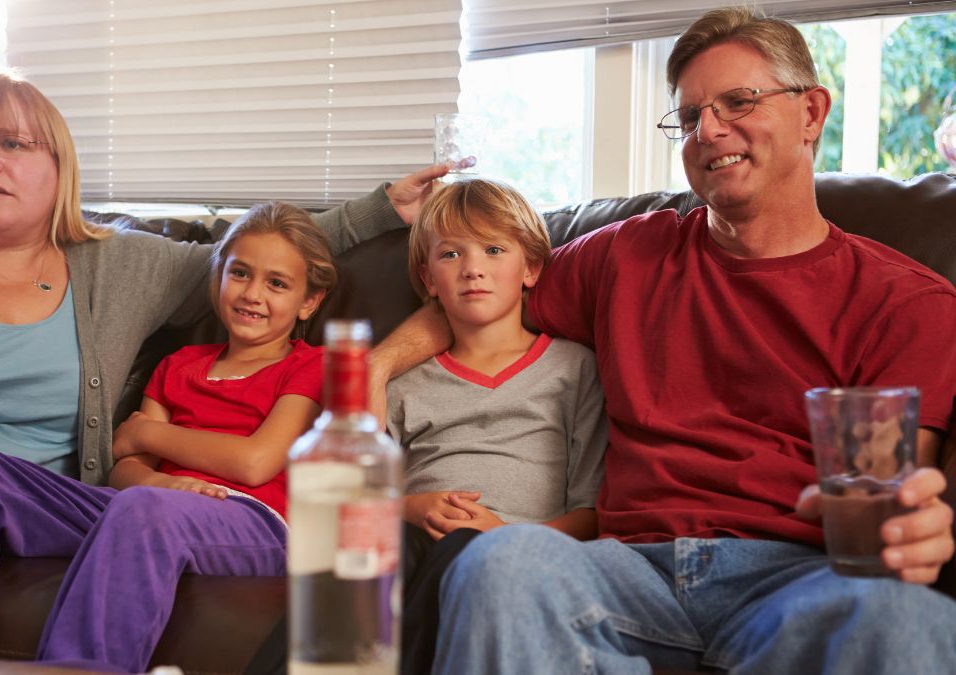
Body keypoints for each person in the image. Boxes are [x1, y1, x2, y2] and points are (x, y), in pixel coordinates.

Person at [0, 73, 445, 640]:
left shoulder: (118, 264)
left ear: (60, 167)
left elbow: (256, 255)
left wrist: (380, 209)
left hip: (58, 503)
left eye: (11, 143)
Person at [373, 7, 956, 673]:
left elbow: (894, 496)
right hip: (624, 569)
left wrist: (906, 528)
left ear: (812, 113)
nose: (708, 130)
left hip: (797, 578)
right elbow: (486, 289)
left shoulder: (907, 302)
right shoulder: (624, 255)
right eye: (689, 116)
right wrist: (375, 366)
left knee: (909, 619)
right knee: (502, 560)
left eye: (739, 101)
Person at [0, 200, 335, 672]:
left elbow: (255, 461)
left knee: (142, 510)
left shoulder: (310, 365)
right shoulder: (180, 364)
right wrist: (160, 483)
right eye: (240, 274)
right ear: (219, 277)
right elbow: (124, 465)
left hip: (256, 519)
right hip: (151, 509)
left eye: (277, 284)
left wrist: (149, 434)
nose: (253, 294)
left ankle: (81, 668)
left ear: (309, 302)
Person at [389, 178, 607, 673]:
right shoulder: (403, 385)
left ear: (531, 268)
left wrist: (507, 538)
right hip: (413, 537)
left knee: (468, 547)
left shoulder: (575, 370)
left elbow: (592, 513)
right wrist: (413, 506)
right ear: (428, 279)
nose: (472, 269)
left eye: (493, 249)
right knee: (374, 551)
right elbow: (353, 497)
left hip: (522, 554)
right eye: (450, 255)